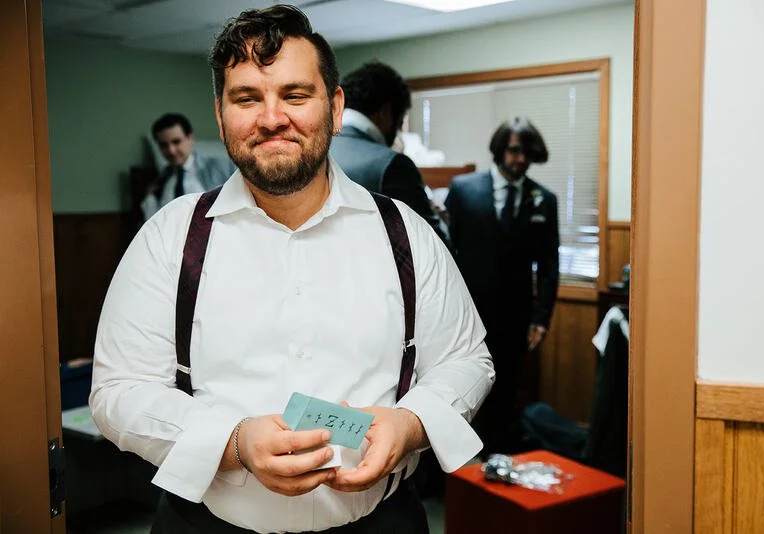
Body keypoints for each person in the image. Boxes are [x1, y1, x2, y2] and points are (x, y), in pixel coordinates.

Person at [89, 5, 493, 533]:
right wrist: (233, 442)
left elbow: (467, 360)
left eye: (296, 95)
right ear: (220, 113)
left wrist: (412, 423)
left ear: (336, 106)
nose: (272, 117)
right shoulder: (170, 239)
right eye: (247, 98)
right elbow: (117, 390)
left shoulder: (406, 234)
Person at [445, 117, 559, 455]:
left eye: (527, 153)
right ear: (499, 150)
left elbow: (549, 265)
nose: (520, 159)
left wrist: (541, 318)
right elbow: (447, 250)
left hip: (516, 315)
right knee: (462, 385)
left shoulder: (544, 200)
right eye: (513, 150)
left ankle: (496, 462)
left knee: (505, 390)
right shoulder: (464, 189)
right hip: (467, 311)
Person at [329, 61, 450, 246]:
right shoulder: (393, 165)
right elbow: (434, 249)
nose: (399, 131)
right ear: (386, 113)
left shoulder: (313, 151)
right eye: (400, 122)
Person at [141, 113, 235, 220]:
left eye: (176, 142)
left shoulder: (221, 167)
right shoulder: (161, 180)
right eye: (164, 145)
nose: (171, 150)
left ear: (190, 138)